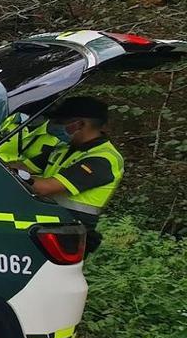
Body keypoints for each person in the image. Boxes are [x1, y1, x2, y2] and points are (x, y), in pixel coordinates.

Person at [15, 96, 124, 254]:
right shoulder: (63, 148)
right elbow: (23, 166)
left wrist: (17, 174)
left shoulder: (103, 159)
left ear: (80, 124)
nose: (53, 126)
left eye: (61, 122)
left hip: (67, 234)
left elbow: (45, 188)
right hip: (44, 226)